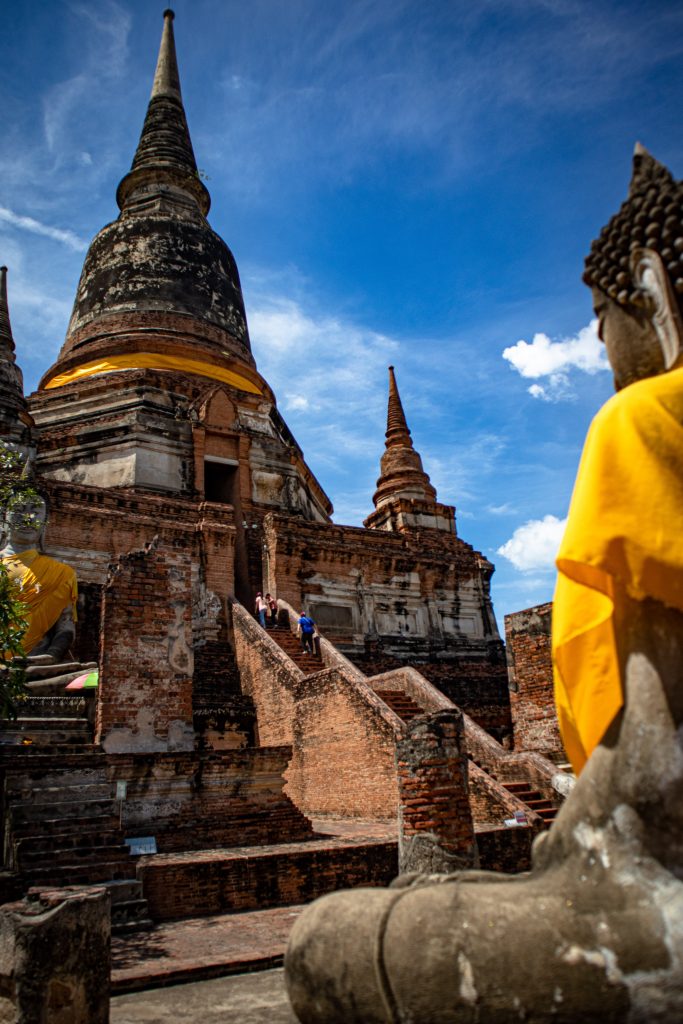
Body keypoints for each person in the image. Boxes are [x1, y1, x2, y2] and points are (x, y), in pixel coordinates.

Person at [284, 145, 683, 1022]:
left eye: (602, 318)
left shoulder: (647, 418)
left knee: (327, 941)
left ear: (651, 292)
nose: (600, 339)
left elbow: (653, 767)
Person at [1, 493, 77, 663]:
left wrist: (51, 656)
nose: (27, 518)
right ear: (3, 517)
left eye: (36, 512)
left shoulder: (61, 573)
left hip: (35, 662)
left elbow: (65, 626)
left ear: (45, 522)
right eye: (19, 511)